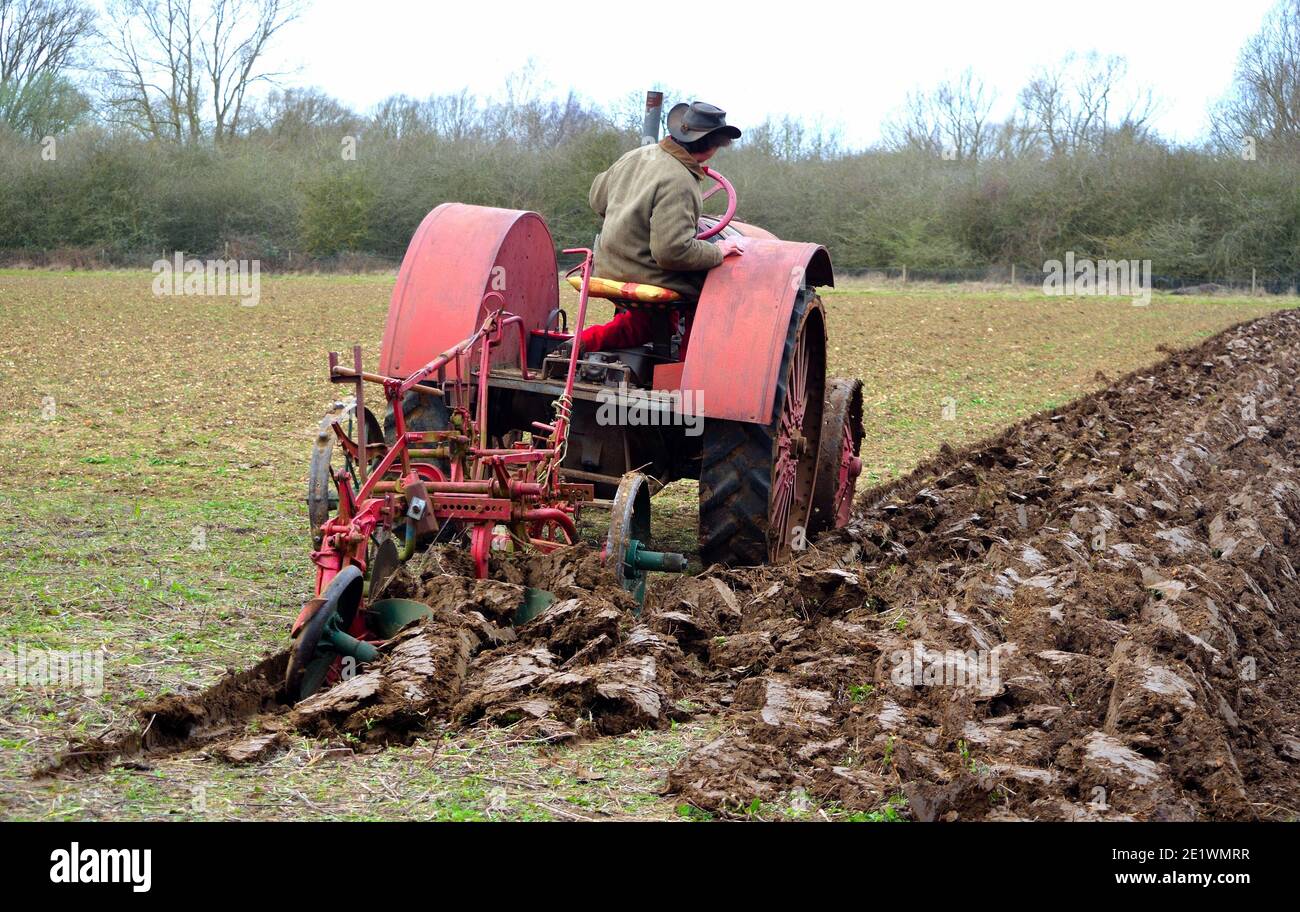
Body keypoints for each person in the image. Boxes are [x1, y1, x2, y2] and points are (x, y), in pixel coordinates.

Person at [570, 101, 747, 357]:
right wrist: (718, 251)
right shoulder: (680, 180)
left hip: (607, 265)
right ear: (711, 148)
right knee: (719, 289)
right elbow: (672, 252)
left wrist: (631, 219)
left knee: (646, 324)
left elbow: (597, 199)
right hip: (644, 271)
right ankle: (690, 368)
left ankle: (582, 343)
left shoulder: (635, 156)